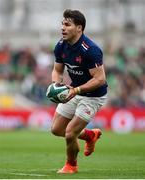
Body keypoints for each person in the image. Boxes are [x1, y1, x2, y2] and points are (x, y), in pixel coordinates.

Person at [50, 9, 108, 174]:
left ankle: (71, 166)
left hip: (93, 95)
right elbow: (57, 70)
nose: (63, 27)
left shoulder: (90, 49)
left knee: (69, 133)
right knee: (56, 130)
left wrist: (77, 89)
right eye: (62, 24)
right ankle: (90, 135)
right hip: (74, 91)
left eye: (67, 24)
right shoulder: (61, 45)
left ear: (79, 28)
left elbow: (100, 79)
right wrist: (56, 85)